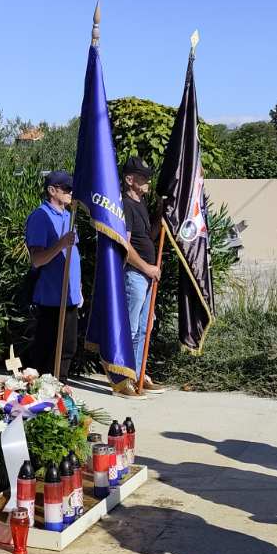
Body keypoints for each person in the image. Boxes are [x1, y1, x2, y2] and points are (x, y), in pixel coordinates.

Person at [23, 171, 82, 380]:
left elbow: (73, 255)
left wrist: (79, 287)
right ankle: (45, 392)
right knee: (48, 351)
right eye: (66, 189)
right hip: (51, 297)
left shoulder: (68, 216)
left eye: (71, 189)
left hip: (70, 296)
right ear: (52, 190)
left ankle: (60, 389)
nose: (70, 192)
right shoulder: (41, 217)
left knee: (67, 348)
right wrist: (60, 244)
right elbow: (37, 259)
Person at [119, 156, 164, 394]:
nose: (148, 182)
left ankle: (138, 374)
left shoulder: (141, 204)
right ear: (130, 180)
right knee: (132, 328)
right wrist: (146, 267)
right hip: (136, 274)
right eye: (143, 178)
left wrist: (160, 215)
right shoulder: (125, 205)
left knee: (145, 328)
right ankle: (124, 378)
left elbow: (148, 236)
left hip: (147, 276)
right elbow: (124, 245)